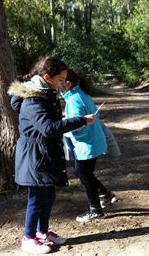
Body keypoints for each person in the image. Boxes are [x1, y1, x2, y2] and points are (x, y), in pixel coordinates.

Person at [8, 56, 97, 254]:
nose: (63, 84)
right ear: (47, 77)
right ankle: (28, 238)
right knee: (37, 198)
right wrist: (80, 120)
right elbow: (48, 128)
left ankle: (42, 232)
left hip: (44, 153)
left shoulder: (45, 92)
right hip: (34, 156)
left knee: (48, 194)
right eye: (60, 79)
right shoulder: (34, 98)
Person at [62, 70, 117, 223]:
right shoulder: (80, 94)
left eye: (61, 81)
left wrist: (64, 130)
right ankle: (105, 194)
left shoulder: (74, 99)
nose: (59, 85)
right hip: (93, 141)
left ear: (68, 83)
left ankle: (96, 210)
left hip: (87, 143)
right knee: (83, 173)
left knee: (83, 174)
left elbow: (78, 127)